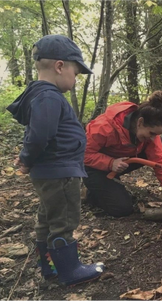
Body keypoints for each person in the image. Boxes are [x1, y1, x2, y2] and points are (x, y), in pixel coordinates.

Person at [6, 35, 104, 286]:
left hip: (51, 172)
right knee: (63, 221)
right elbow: (40, 134)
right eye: (75, 72)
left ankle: (50, 267)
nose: (75, 79)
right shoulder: (48, 96)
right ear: (60, 66)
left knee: (47, 218)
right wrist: (26, 159)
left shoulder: (40, 95)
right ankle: (70, 272)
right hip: (60, 173)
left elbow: (39, 132)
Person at [83, 91, 162, 217]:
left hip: (121, 163)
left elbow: (160, 161)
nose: (153, 138)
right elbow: (82, 154)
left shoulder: (148, 133)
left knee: (161, 144)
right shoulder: (104, 127)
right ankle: (93, 193)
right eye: (152, 133)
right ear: (140, 122)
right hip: (94, 168)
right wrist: (110, 163)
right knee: (122, 209)